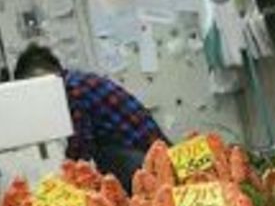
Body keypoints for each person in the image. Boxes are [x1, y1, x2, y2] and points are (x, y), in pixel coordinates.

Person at [15, 44, 164, 185]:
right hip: (153, 151)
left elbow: (80, 148)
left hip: (146, 159)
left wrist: (61, 181)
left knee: (99, 162)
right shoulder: (76, 80)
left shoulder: (71, 90)